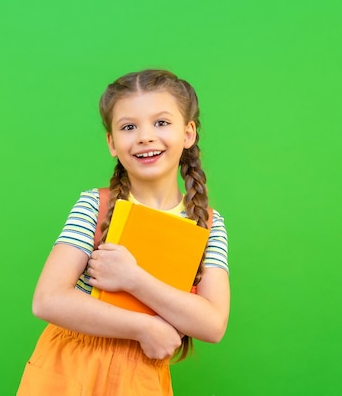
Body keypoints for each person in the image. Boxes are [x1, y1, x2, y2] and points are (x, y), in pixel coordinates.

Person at [16, 69, 230, 395]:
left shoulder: (208, 225)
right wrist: (143, 327)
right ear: (112, 142)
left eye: (161, 122)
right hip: (69, 371)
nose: (144, 136)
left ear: (188, 133)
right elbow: (47, 300)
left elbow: (212, 324)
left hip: (141, 380)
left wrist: (133, 278)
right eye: (129, 127)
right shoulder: (95, 206)